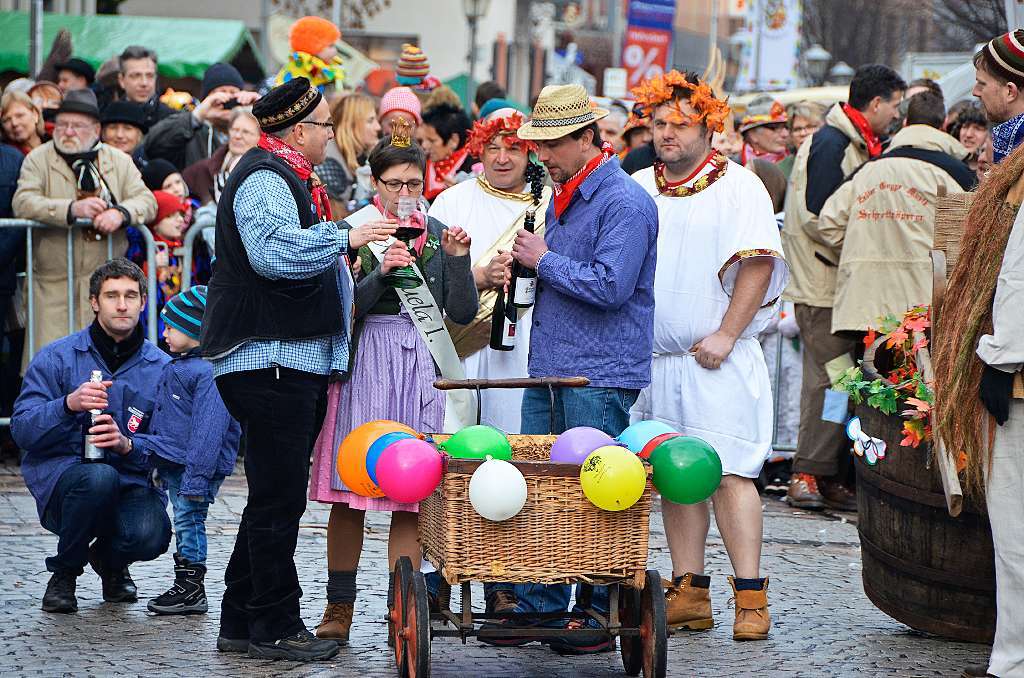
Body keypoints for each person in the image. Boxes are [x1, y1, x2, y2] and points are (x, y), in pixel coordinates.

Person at [201, 76, 388, 661]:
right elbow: (274, 253)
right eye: (326, 126)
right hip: (271, 357)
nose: (332, 136)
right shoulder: (263, 177)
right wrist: (344, 235)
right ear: (299, 130)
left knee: (270, 497)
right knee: (279, 499)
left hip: (289, 357)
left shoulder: (287, 175)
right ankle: (275, 626)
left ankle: (240, 618)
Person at [628, 69, 788, 641]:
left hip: (715, 358)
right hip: (656, 359)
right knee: (676, 474)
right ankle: (688, 590)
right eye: (658, 122)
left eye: (680, 123)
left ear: (708, 127)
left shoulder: (739, 185)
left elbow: (759, 262)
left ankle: (750, 596)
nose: (667, 133)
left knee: (730, 474)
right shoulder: (640, 186)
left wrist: (726, 332)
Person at [504, 83, 658, 654]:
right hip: (552, 365)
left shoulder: (624, 201)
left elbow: (612, 286)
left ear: (586, 139)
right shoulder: (563, 194)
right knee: (539, 488)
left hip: (597, 371)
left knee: (598, 492)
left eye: (551, 145)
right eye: (538, 145)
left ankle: (595, 610)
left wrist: (543, 260)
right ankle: (542, 604)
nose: (540, 156)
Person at [308, 132, 476, 644]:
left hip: (421, 362)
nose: (405, 191)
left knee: (411, 492)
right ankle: (339, 607)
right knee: (350, 491)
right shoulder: (355, 231)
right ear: (374, 182)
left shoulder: (439, 231)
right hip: (368, 363)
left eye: (413, 181)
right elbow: (342, 306)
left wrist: (458, 260)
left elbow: (463, 312)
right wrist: (381, 272)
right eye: (393, 182)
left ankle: (399, 607)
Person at [11, 258, 172, 614]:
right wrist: (67, 405)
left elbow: (172, 447)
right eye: (112, 295)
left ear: (144, 302)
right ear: (94, 302)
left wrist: (128, 444)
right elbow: (22, 429)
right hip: (64, 484)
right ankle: (64, 575)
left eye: (131, 295)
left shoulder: (162, 368)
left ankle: (110, 562)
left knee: (152, 534)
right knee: (99, 477)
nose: (122, 304)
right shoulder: (57, 357)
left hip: (130, 484)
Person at [781, 64, 905, 511]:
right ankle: (807, 472)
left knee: (841, 382)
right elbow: (820, 215)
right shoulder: (833, 142)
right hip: (821, 287)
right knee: (830, 380)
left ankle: (826, 471)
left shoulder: (850, 140)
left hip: (834, 286)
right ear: (875, 104)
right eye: (894, 105)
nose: (896, 115)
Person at [948, 30, 1024, 678]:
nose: (975, 92)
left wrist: (999, 356)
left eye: (983, 82)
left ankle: (1013, 664)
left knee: (1017, 530)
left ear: (1013, 89)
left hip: (1021, 375)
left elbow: (1019, 273)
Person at [12, 89, 156, 365]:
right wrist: (69, 209)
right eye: (63, 124)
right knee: (49, 365)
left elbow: (146, 201)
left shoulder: (118, 161)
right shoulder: (38, 159)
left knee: (103, 367)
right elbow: (22, 202)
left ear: (95, 129)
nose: (67, 131)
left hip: (106, 289)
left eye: (77, 126)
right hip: (51, 286)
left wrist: (121, 213)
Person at [428, 107, 550, 434]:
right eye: (493, 148)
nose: (502, 158)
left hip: (524, 346)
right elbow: (429, 283)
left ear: (530, 153)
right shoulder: (451, 201)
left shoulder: (549, 207)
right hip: (461, 343)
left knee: (514, 442)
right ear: (479, 150)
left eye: (513, 148)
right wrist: (481, 276)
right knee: (456, 442)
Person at [816, 91, 975, 338]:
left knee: (869, 376)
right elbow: (965, 241)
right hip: (926, 307)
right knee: (920, 378)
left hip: (864, 305)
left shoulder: (868, 170)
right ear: (943, 126)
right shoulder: (957, 175)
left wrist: (860, 252)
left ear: (904, 123)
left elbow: (828, 223)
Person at [130, 286, 240, 615]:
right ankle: (187, 585)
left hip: (193, 468)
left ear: (194, 330)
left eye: (170, 327)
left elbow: (208, 430)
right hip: (178, 463)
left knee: (190, 519)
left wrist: (196, 478)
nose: (163, 333)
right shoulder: (180, 365)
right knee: (184, 519)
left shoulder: (207, 373)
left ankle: (191, 588)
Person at [144, 63, 259, 171]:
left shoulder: (253, 128)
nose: (227, 99)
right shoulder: (188, 132)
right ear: (206, 100)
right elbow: (152, 145)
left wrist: (262, 109)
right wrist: (196, 116)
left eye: (233, 93)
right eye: (220, 94)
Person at [315, 94, 380, 217]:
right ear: (351, 125)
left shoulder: (360, 155)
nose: (378, 127)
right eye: (371, 120)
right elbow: (337, 220)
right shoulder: (328, 164)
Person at [182, 106, 262, 206]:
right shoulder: (201, 170)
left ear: (261, 138)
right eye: (234, 129)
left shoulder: (266, 174)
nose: (237, 136)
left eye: (245, 132)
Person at [418, 103, 474, 201]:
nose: (424, 146)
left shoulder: (473, 169)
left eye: (432, 141)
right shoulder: (421, 165)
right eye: (423, 140)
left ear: (453, 140)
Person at [275, 15, 345, 93]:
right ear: (314, 45)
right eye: (330, 46)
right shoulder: (301, 68)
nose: (335, 51)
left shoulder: (328, 67)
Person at [113, 46, 174, 130]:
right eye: (136, 76)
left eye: (150, 76)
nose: (144, 83)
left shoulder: (172, 120)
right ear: (121, 80)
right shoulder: (109, 118)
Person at [737, 94, 790, 167]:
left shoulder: (798, 160)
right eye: (773, 128)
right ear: (752, 135)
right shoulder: (731, 168)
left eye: (786, 127)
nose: (785, 134)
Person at [1, 90, 45, 155]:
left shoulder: (55, 138)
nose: (14, 123)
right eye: (6, 120)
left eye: (20, 115)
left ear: (35, 115)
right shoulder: (6, 159)